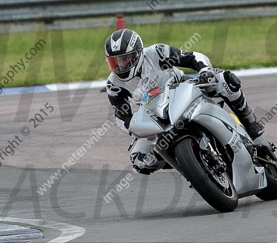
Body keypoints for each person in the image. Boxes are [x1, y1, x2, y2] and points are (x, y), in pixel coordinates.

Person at [104, 28, 267, 174]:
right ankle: (192, 167)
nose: (120, 65)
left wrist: (205, 71)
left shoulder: (156, 53)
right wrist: (134, 128)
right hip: (156, 115)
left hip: (184, 89)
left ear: (138, 53)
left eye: (125, 58)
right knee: (139, 160)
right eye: (114, 61)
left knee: (225, 80)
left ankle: (251, 124)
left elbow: (192, 57)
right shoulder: (114, 84)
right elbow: (121, 115)